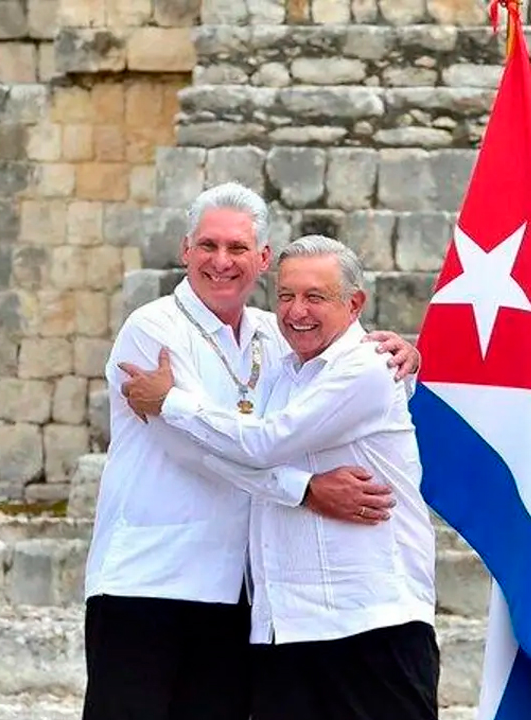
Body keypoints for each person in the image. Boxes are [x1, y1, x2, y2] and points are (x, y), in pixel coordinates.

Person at [82, 184, 421, 720]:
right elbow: (195, 451)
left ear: (262, 259)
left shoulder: (275, 333)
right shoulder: (152, 329)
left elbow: (338, 372)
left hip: (238, 591)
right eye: (208, 245)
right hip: (148, 581)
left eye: (237, 248)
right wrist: (305, 491)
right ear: (185, 250)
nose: (222, 261)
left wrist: (402, 360)